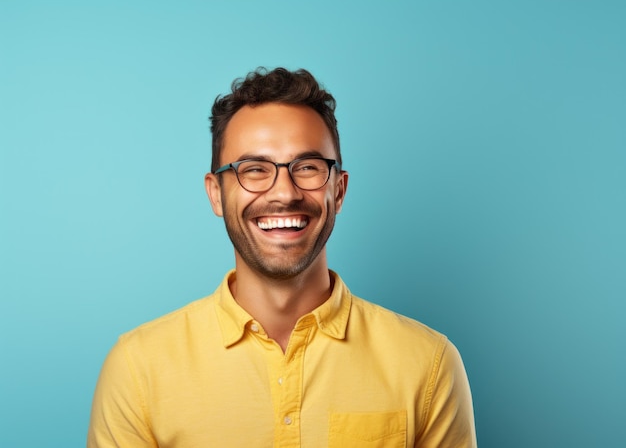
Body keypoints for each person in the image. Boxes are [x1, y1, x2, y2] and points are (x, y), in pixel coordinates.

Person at [87, 67, 477, 447]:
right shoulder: (138, 369)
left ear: (338, 191)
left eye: (306, 167)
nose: (284, 193)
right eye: (254, 169)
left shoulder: (428, 364)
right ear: (216, 194)